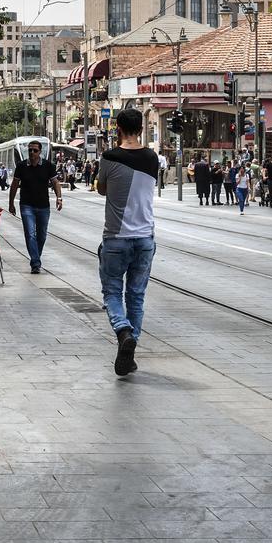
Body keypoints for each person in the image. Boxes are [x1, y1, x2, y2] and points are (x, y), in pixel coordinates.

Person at [96, 108, 158, 377]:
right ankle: (129, 351)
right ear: (141, 129)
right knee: (136, 296)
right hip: (145, 237)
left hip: (116, 238)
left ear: (117, 127)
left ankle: (123, 331)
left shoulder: (109, 157)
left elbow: (101, 188)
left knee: (112, 292)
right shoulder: (152, 157)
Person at [9, 140, 62, 274]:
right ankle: (35, 263)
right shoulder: (21, 166)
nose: (32, 152)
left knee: (42, 236)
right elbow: (14, 185)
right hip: (26, 205)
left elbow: (55, 182)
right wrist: (11, 203)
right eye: (30, 150)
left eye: (35, 150)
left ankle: (35, 257)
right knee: (30, 234)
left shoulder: (48, 166)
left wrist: (59, 197)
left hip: (44, 206)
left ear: (40, 152)